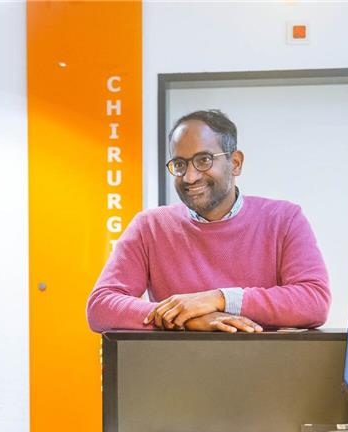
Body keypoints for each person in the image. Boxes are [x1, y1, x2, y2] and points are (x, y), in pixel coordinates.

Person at [86, 109, 330, 333]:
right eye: (180, 164)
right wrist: (187, 317)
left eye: (204, 160)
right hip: (176, 375)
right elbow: (100, 306)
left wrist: (219, 298)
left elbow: (314, 301)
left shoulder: (284, 219)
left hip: (263, 372)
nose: (190, 177)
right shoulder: (149, 226)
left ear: (235, 163)